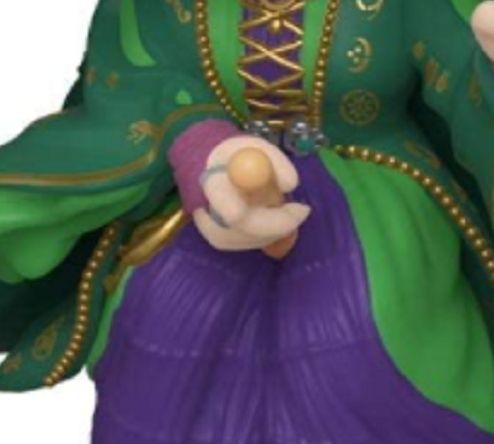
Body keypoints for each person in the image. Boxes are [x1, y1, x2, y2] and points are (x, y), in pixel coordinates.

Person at [2, 0, 494, 442]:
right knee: (161, 311)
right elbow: (133, 78)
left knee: (362, 330)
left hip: (374, 195)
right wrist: (199, 145)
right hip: (210, 196)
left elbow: (461, 70)